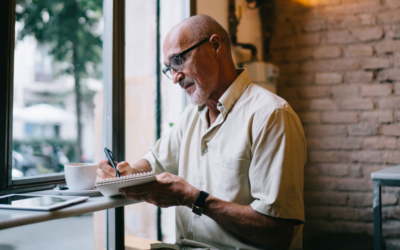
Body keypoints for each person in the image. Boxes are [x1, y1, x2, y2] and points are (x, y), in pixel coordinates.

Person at [97, 15, 306, 250]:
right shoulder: (191, 117)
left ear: (215, 46)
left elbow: (279, 232)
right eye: (169, 68)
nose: (175, 77)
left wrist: (193, 198)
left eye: (178, 60)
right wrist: (125, 173)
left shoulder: (271, 116)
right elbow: (154, 162)